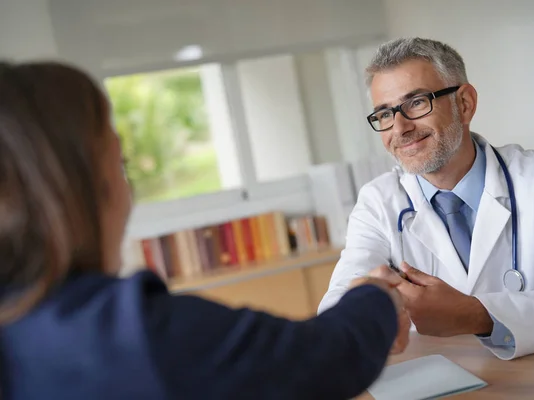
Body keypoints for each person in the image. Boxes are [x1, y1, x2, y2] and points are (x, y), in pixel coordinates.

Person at [0, 61, 411, 400]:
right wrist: (377, 298)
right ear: (85, 186)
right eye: (120, 162)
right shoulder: (134, 333)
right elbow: (322, 359)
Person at [319, 37, 534, 360]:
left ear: (464, 104)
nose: (399, 128)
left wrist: (476, 314)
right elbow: (337, 304)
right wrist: (359, 307)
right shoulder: (377, 202)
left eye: (416, 103)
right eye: (384, 114)